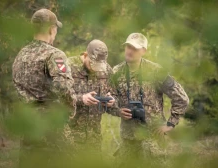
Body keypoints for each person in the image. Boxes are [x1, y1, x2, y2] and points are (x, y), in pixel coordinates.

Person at [12, 9, 96, 168]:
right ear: (51, 29)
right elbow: (62, 86)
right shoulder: (54, 55)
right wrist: (69, 109)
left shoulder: (21, 55)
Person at [111, 33, 189, 167]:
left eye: (134, 48)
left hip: (152, 139)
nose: (130, 51)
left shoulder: (156, 71)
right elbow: (111, 99)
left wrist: (170, 124)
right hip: (128, 138)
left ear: (143, 51)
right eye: (128, 46)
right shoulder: (117, 71)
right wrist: (118, 111)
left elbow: (182, 98)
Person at [66, 40, 118, 159]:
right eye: (92, 64)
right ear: (85, 55)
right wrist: (80, 99)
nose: (95, 69)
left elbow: (115, 94)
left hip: (94, 139)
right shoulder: (68, 66)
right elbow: (56, 97)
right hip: (70, 138)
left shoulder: (106, 70)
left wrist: (111, 100)